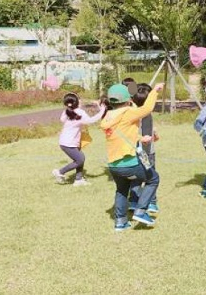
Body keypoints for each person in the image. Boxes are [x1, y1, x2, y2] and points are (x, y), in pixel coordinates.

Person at [100, 82, 164, 231]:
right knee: (153, 179)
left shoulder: (109, 115)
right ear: (128, 100)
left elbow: (123, 134)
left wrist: (141, 138)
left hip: (114, 165)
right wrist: (155, 91)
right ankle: (141, 211)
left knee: (122, 190)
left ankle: (121, 222)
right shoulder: (127, 113)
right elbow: (147, 109)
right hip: (130, 162)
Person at [52, 93, 105, 186]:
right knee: (80, 159)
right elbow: (91, 120)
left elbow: (62, 119)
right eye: (79, 99)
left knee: (79, 158)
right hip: (69, 143)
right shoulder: (79, 112)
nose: (81, 101)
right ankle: (60, 172)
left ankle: (78, 179)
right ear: (76, 102)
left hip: (65, 142)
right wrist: (102, 110)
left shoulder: (67, 111)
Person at [128, 83, 161, 214]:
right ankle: (151, 202)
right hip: (145, 153)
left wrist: (154, 134)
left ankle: (134, 201)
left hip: (134, 152)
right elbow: (146, 136)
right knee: (151, 177)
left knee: (136, 177)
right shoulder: (145, 114)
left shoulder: (131, 112)